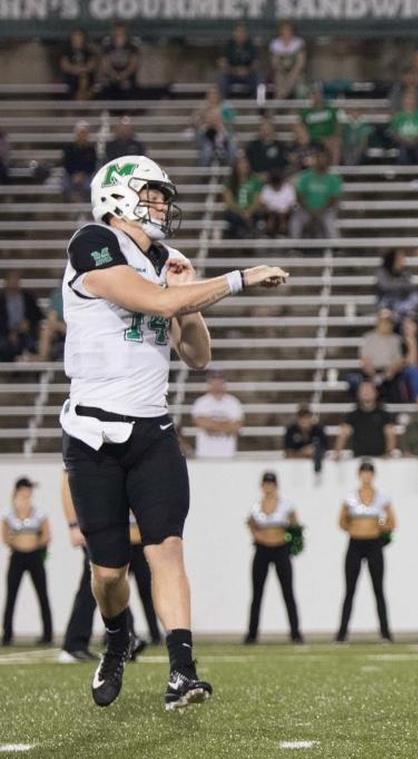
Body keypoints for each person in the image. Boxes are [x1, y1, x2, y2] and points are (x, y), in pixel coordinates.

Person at [61, 153, 287, 708]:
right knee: (109, 572)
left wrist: (189, 303)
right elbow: (148, 300)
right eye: (152, 193)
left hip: (153, 429)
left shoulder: (167, 258)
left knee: (167, 548)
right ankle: (117, 636)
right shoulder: (93, 241)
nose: (162, 203)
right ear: (118, 195)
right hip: (93, 433)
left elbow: (198, 356)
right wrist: (236, 279)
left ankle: (182, 670)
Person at [336, 460, 395, 642]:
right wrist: (355, 528)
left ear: (373, 475)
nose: (366, 476)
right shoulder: (350, 498)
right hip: (355, 544)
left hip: (374, 545)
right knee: (349, 590)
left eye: (370, 472)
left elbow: (390, 522)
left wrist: (377, 526)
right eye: (364, 472)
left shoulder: (382, 498)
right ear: (359, 475)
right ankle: (342, 634)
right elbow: (342, 521)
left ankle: (385, 633)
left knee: (378, 589)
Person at [245, 472, 303, 644]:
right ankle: (252, 634)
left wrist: (291, 543)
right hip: (262, 551)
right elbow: (251, 526)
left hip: (281, 551)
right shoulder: (255, 507)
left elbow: (295, 527)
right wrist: (258, 537)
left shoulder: (286, 506)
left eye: (271, 484)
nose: (268, 487)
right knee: (257, 594)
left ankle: (295, 633)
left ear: (276, 486)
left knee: (288, 592)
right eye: (266, 484)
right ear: (262, 486)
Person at [2, 477, 52, 646]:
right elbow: (5, 535)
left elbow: (46, 535)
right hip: (17, 557)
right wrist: (17, 543)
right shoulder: (8, 513)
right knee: (11, 596)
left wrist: (34, 545)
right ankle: (7, 635)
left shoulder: (39, 513)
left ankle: (47, 634)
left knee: (42, 594)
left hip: (35, 557)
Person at [59, 472, 97, 663]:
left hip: (105, 523)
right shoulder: (80, 444)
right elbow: (66, 479)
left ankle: (75, 643)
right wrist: (73, 524)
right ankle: (74, 644)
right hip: (91, 525)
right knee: (93, 582)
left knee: (106, 579)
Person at [190, 370, 244, 459]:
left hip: (228, 455)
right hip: (205, 455)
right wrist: (226, 424)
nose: (217, 384)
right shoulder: (201, 402)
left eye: (220, 380)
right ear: (209, 383)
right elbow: (200, 423)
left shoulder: (233, 402)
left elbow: (237, 426)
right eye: (214, 380)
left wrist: (211, 423)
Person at [335, 382, 396, 459]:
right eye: (363, 390)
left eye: (369, 390)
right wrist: (337, 453)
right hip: (358, 460)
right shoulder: (352, 415)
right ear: (358, 394)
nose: (366, 392)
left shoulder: (384, 414)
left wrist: (389, 453)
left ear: (376, 393)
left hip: (380, 459)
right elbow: (343, 434)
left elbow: (390, 435)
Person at [125, 514, 161, 646]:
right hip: (121, 543)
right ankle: (122, 632)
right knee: (117, 592)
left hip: (140, 544)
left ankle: (155, 633)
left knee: (146, 591)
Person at [291, 147, 341, 240]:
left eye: (324, 159)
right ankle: (294, 247)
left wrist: (319, 212)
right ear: (316, 160)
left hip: (325, 211)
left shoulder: (334, 179)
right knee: (296, 221)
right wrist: (310, 211)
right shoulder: (304, 177)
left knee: (330, 222)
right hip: (306, 210)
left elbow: (333, 198)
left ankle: (335, 248)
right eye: (320, 158)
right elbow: (299, 196)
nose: (322, 161)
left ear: (328, 161)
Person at [1, 272, 44, 362]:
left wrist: (29, 322)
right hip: (5, 333)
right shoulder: (1, 300)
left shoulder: (28, 297)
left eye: (16, 280)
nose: (14, 283)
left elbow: (38, 315)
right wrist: (10, 332)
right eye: (11, 280)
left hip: (26, 332)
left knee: (32, 341)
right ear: (6, 282)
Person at [222, 155, 263, 239]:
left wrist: (249, 212)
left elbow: (257, 201)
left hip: (251, 212)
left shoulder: (255, 181)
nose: (243, 166)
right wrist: (242, 213)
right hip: (236, 213)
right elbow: (229, 202)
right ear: (236, 166)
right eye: (240, 164)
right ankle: (242, 234)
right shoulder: (230, 182)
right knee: (233, 218)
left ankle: (251, 233)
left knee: (258, 217)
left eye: (245, 164)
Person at [300, 87, 342, 166]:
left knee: (336, 143)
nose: (316, 96)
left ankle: (333, 169)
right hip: (314, 139)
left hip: (329, 138)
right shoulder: (306, 111)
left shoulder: (331, 109)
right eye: (313, 94)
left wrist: (334, 136)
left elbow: (338, 125)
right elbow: (301, 126)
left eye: (318, 94)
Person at [97, 23, 141, 100]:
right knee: (104, 87)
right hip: (111, 76)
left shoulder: (132, 47)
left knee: (128, 88)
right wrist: (115, 76)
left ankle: (128, 110)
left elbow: (133, 65)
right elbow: (105, 65)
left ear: (126, 34)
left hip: (127, 77)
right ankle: (106, 110)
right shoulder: (107, 46)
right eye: (117, 33)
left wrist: (123, 76)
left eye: (121, 33)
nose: (119, 36)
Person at [217, 22, 260, 97]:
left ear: (246, 34)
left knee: (260, 81)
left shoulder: (251, 45)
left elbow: (256, 63)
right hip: (231, 74)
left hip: (248, 74)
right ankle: (222, 107)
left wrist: (247, 70)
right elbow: (222, 63)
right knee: (221, 79)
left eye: (243, 32)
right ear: (234, 33)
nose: (240, 34)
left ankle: (258, 106)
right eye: (238, 32)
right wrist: (234, 71)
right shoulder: (228, 45)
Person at [389, 91, 418, 166]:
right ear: (403, 101)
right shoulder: (397, 117)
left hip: (417, 143)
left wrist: (415, 140)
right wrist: (404, 141)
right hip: (402, 143)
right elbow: (395, 133)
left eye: (411, 99)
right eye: (407, 99)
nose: (409, 101)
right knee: (403, 153)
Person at [61, 120, 97, 202]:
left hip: (86, 175)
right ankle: (74, 203)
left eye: (84, 133)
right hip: (71, 175)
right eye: (81, 133)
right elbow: (67, 163)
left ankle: (84, 206)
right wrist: (74, 174)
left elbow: (92, 165)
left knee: (90, 187)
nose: (82, 135)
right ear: (76, 134)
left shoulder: (91, 149)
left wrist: (82, 174)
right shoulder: (68, 148)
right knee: (65, 186)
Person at [269, 21, 306, 99]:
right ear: (280, 31)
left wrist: (292, 74)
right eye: (284, 30)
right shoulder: (275, 43)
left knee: (300, 83)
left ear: (292, 31)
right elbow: (274, 63)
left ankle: (285, 97)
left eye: (289, 30)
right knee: (279, 80)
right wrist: (282, 71)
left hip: (296, 72)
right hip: (280, 72)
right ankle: (278, 104)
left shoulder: (298, 42)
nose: (286, 32)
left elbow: (301, 63)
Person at [60, 28, 99, 101]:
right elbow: (64, 65)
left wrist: (82, 70)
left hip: (87, 77)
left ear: (83, 38)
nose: (77, 39)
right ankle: (81, 99)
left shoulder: (88, 51)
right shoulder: (67, 51)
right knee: (81, 78)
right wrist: (76, 70)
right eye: (75, 36)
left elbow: (91, 65)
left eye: (79, 36)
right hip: (71, 77)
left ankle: (81, 99)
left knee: (85, 77)